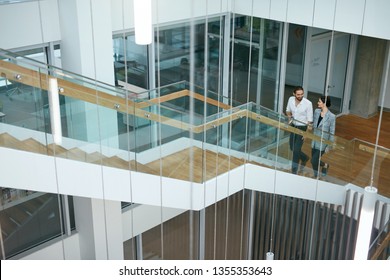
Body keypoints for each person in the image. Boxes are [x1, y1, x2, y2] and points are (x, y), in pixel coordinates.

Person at [286, 86, 313, 174]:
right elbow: (288, 110)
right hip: (293, 126)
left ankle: (294, 171)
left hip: (302, 128)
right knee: (292, 147)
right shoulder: (290, 99)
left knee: (296, 150)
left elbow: (310, 121)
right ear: (294, 94)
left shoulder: (308, 104)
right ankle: (304, 158)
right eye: (298, 94)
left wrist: (306, 134)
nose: (300, 96)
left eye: (302, 94)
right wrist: (289, 118)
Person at [311, 95, 336, 177]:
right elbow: (314, 125)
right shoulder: (316, 111)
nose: (317, 103)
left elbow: (332, 132)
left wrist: (329, 146)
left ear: (324, 103)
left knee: (313, 160)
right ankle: (324, 166)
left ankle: (316, 176)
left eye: (319, 102)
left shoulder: (332, 116)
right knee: (314, 161)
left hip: (322, 142)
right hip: (314, 140)